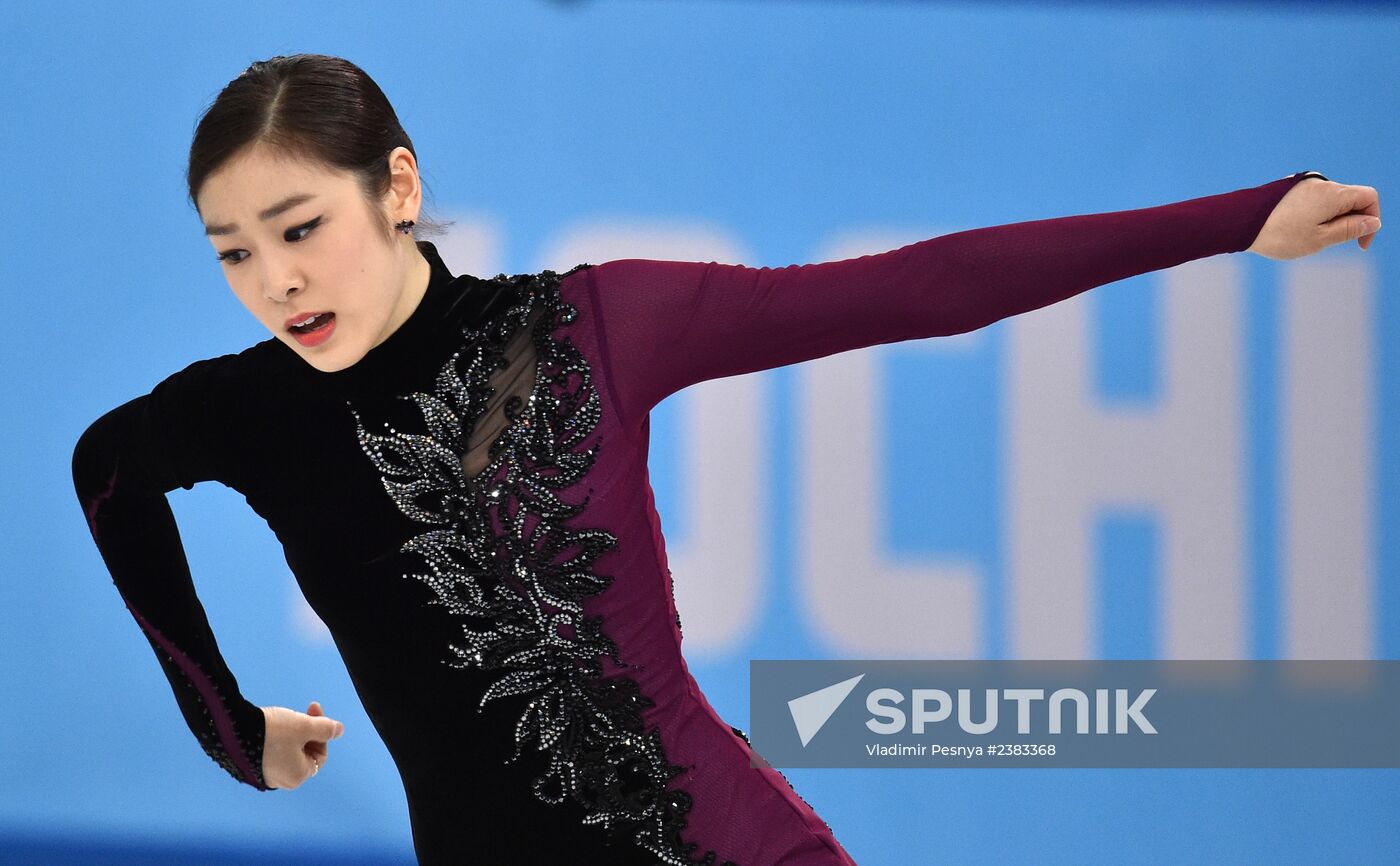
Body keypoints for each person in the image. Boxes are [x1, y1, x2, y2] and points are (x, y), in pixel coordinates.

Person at [69, 52, 1379, 866]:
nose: (274, 278)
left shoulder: (588, 328)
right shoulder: (247, 410)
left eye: (298, 226)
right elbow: (109, 472)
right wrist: (233, 730)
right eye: (233, 251)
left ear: (397, 186)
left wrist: (1232, 220)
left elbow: (923, 290)